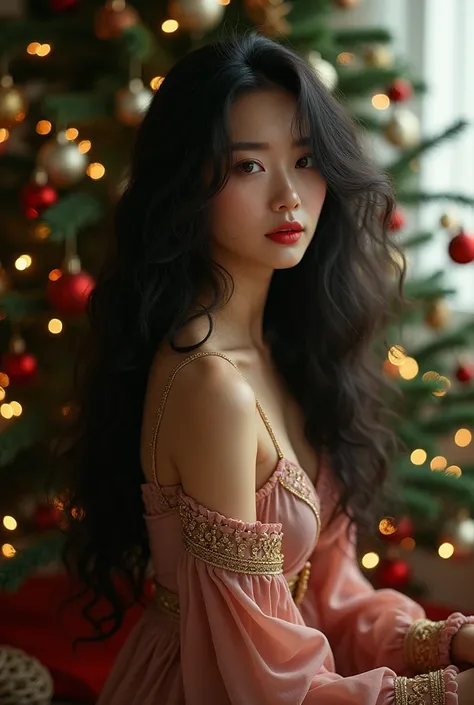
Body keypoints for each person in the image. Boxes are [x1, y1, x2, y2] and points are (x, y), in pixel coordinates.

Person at [61, 32, 474, 704]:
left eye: (307, 160)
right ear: (186, 181)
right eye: (248, 166)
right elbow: (261, 680)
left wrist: (452, 642)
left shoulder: (288, 348)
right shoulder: (209, 385)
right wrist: (448, 693)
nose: (289, 196)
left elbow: (333, 593)